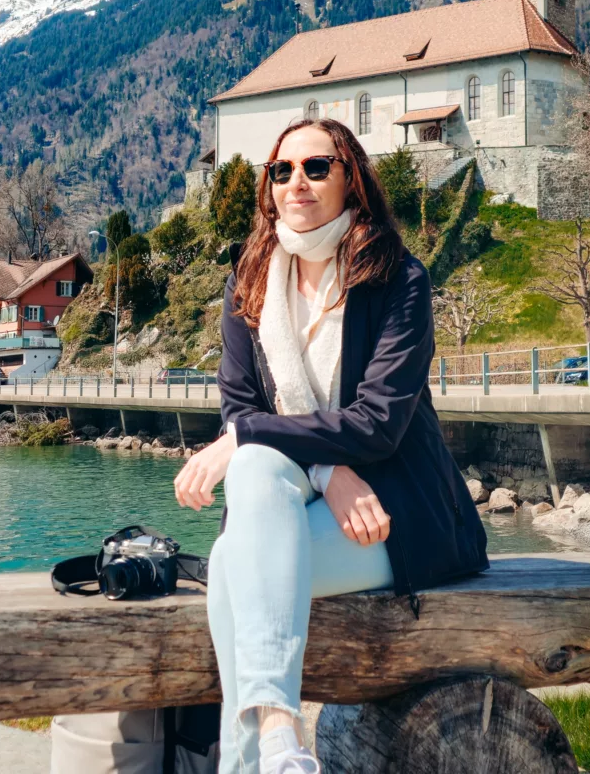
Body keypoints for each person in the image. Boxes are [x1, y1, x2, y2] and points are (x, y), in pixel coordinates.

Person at [174, 117, 489, 774]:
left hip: (396, 517)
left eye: (317, 167)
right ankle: (282, 742)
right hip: (317, 501)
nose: (298, 182)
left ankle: (251, 762)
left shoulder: (399, 280)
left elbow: (377, 422)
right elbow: (241, 409)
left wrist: (248, 437)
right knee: (255, 466)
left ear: (351, 179)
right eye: (282, 170)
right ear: (268, 187)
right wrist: (325, 471)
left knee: (234, 565)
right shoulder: (251, 279)